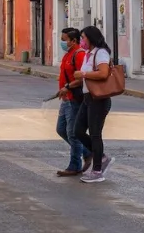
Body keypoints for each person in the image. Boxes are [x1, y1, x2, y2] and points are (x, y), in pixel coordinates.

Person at [72, 25, 115, 183]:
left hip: (99, 99)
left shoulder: (100, 53)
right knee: (78, 130)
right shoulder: (88, 54)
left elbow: (103, 73)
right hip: (88, 97)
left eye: (83, 37)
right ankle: (101, 156)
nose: (81, 41)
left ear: (91, 38)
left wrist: (83, 73)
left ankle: (97, 171)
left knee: (95, 133)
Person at [55, 27, 92, 176]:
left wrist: (68, 87)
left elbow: (82, 77)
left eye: (64, 40)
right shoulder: (68, 54)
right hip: (66, 98)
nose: (62, 42)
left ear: (73, 40)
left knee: (73, 134)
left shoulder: (79, 54)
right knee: (61, 129)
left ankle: (74, 166)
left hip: (74, 99)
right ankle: (87, 152)